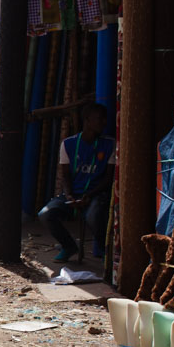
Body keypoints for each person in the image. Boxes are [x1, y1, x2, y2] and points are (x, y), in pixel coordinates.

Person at [38, 103, 115, 261]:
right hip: (74, 193)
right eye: (99, 119)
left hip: (96, 194)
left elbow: (108, 179)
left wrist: (90, 194)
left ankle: (106, 250)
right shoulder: (68, 144)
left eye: (104, 119)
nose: (103, 123)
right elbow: (66, 176)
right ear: (87, 120)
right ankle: (69, 246)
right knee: (45, 214)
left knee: (94, 216)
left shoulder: (109, 144)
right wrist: (69, 195)